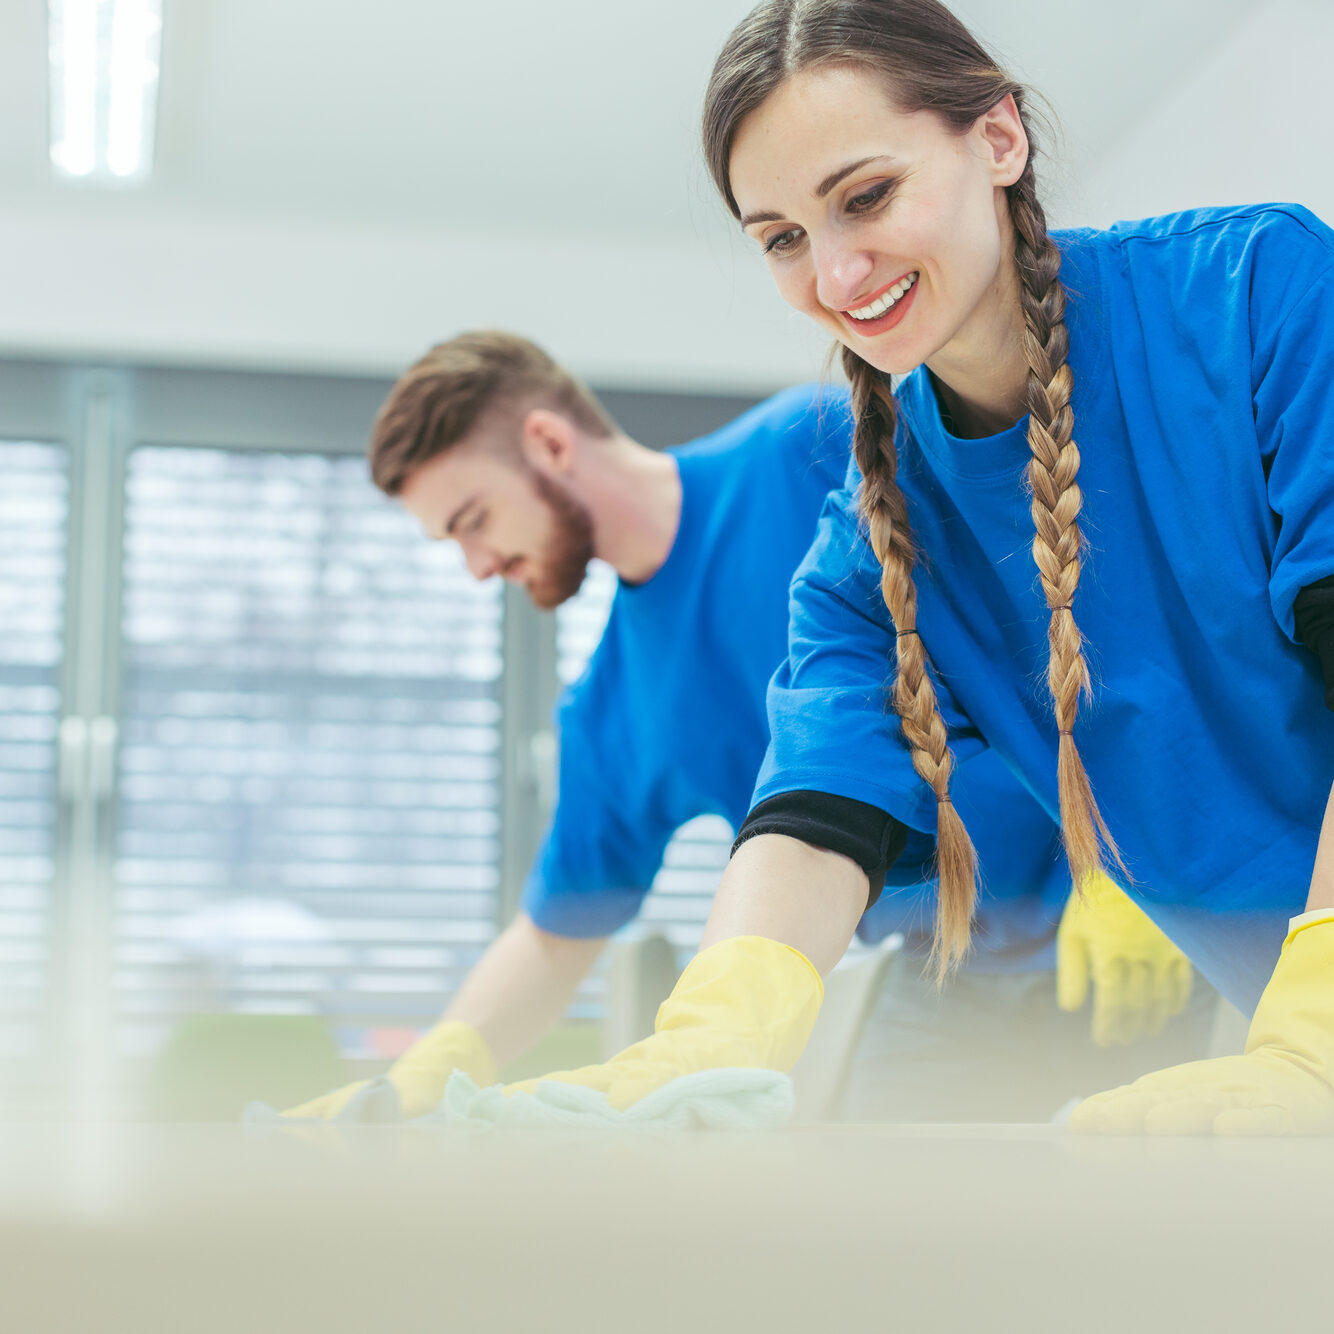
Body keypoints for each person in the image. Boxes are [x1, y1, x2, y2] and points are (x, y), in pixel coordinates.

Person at [504, 0, 1334, 1136]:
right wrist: (708, 1040)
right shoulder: (875, 534)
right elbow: (814, 814)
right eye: (782, 237)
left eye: (865, 195)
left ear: (997, 139)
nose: (836, 272)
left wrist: (1315, 1036)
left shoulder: (1257, 296)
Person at [280, 330, 1198, 1123]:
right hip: (941, 984)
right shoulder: (613, 706)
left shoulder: (818, 444)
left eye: (474, 520)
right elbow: (557, 933)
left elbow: (1078, 600)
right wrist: (427, 1073)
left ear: (549, 442)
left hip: (1135, 930)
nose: (479, 566)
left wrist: (1132, 863)